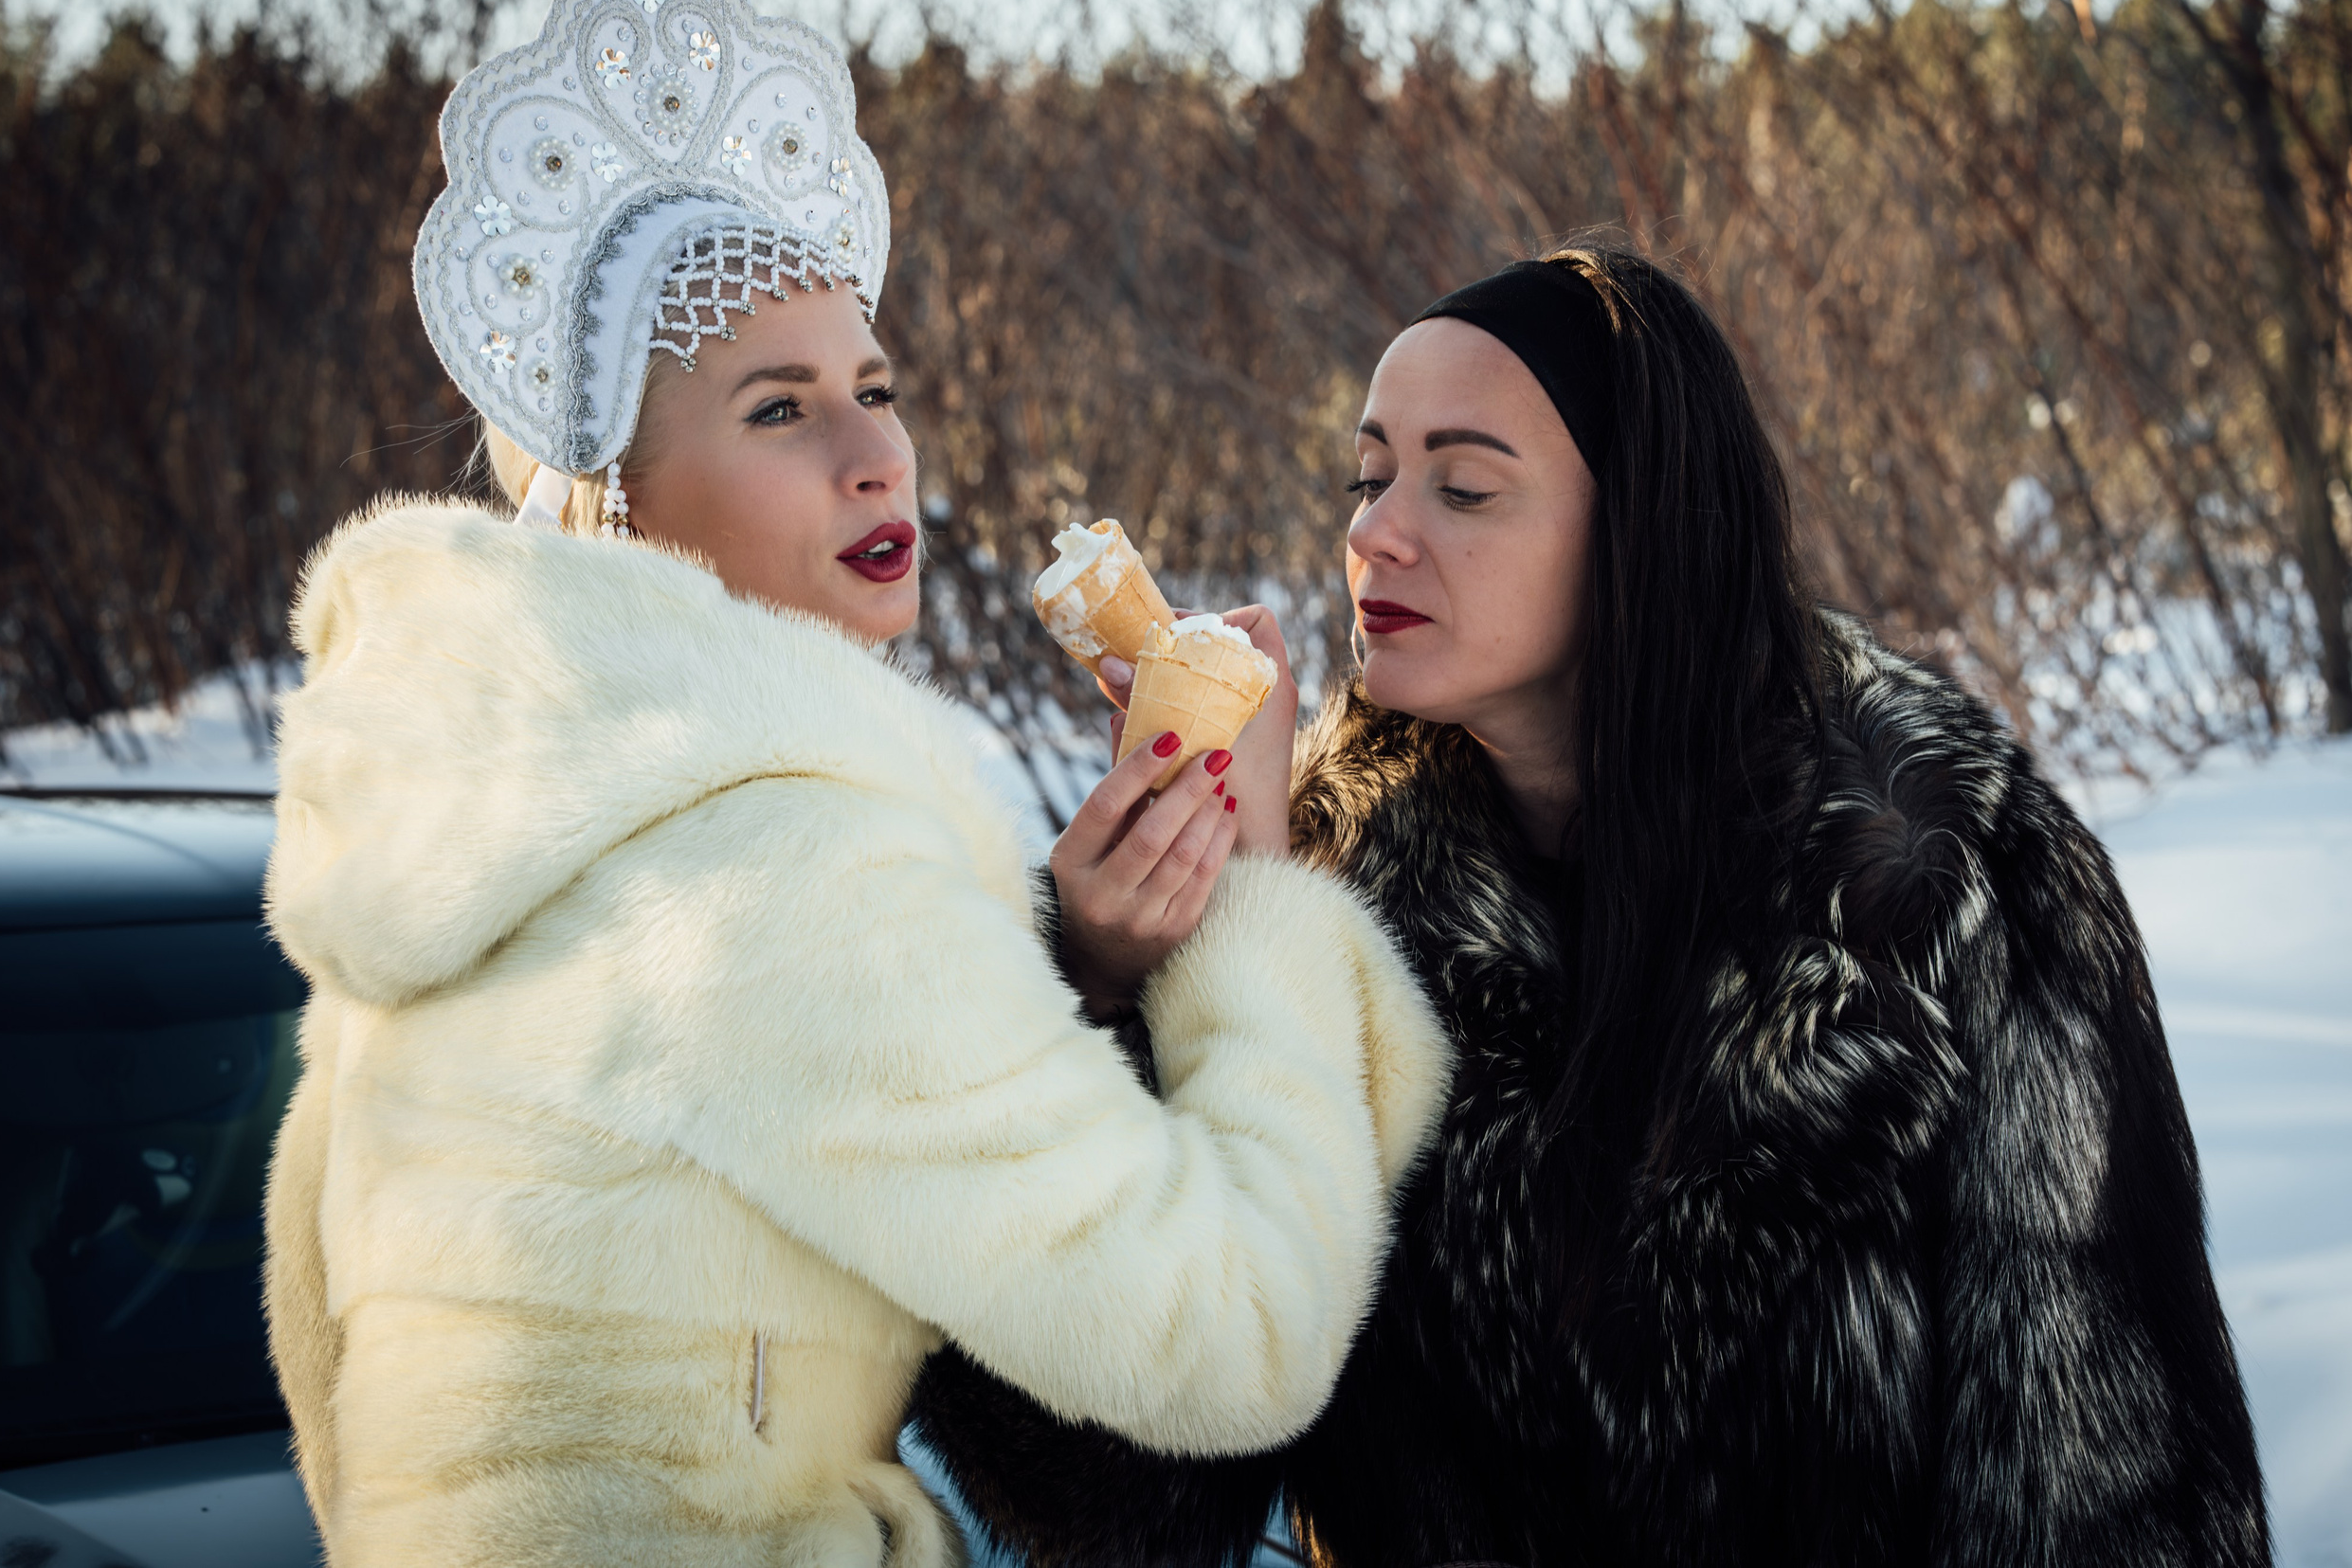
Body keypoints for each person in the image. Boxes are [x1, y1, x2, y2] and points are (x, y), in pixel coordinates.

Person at [258, 0, 1450, 1564]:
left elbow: (343, 1395)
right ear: (617, 499)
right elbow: (1229, 1333)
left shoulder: (471, 837)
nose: (877, 448)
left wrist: (1076, 962)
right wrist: (1249, 900)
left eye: (875, 389)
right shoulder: (788, 859)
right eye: (778, 409)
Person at [910, 243, 2271, 1567]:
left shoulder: (1950, 879)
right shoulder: (1320, 880)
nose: (1374, 531)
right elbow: (1125, 1495)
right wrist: (1124, 969)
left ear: (1643, 524)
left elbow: (2106, 1483)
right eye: (1371, 475)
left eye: (1464, 488)